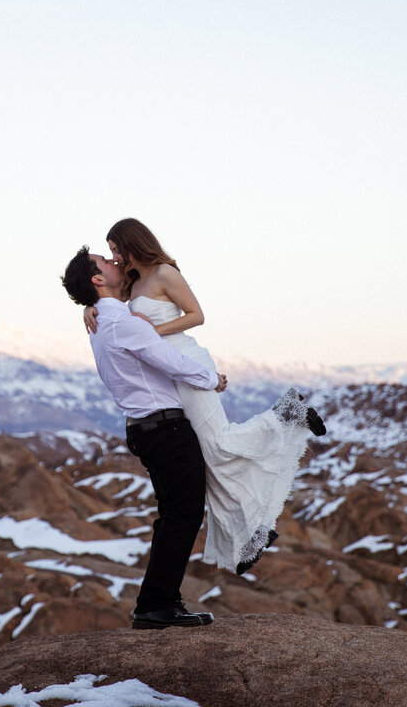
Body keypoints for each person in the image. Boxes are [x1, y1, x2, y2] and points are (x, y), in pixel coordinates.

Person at [84, 218, 326, 576]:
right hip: (169, 371)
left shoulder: (165, 273)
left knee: (220, 444)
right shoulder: (131, 282)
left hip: (188, 360)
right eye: (113, 253)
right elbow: (110, 308)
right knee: (210, 460)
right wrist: (87, 308)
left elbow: (197, 316)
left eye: (118, 249)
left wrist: (154, 331)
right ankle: (250, 536)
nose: (116, 258)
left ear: (135, 243)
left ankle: (286, 414)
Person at [61, 245, 226, 630]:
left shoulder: (103, 319)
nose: (115, 261)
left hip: (146, 429)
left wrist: (89, 304)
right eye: (105, 261)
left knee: (173, 514)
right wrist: (211, 380)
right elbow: (168, 361)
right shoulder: (121, 323)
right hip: (164, 428)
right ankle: (154, 606)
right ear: (98, 279)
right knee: (183, 514)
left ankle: (161, 602)